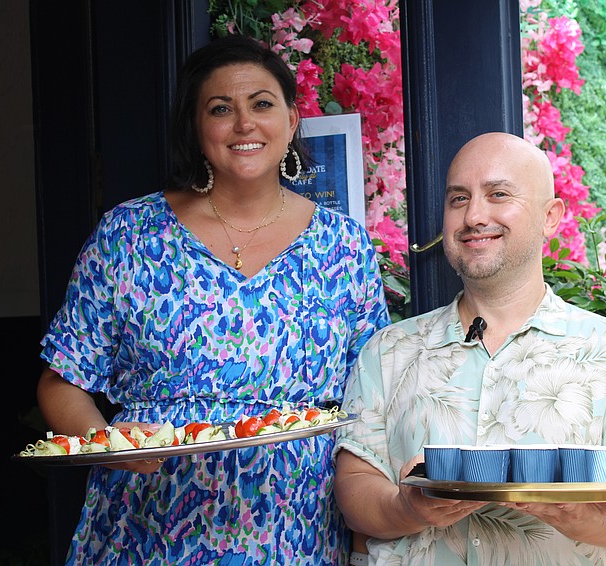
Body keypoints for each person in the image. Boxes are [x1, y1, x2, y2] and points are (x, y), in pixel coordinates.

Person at [36, 33, 390, 565]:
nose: (244, 124)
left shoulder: (344, 246)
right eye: (220, 109)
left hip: (293, 527)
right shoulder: (129, 234)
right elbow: (60, 381)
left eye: (262, 104)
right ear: (197, 129)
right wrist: (109, 441)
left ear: (292, 120)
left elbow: (372, 400)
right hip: (147, 524)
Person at [333, 132, 606, 565]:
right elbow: (355, 491)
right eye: (458, 199)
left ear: (550, 216)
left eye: (498, 194)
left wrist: (576, 515)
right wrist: (407, 507)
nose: (474, 215)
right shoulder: (389, 352)